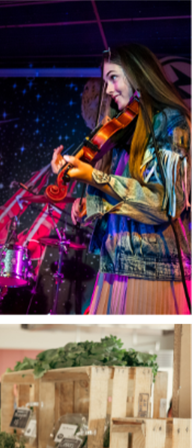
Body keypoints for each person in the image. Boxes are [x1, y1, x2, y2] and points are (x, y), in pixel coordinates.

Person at [51, 43, 191, 314]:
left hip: (153, 271)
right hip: (115, 267)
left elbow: (164, 204)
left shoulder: (173, 122)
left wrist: (95, 177)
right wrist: (89, 199)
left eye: (113, 77)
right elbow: (128, 191)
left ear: (138, 74)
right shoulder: (127, 127)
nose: (108, 90)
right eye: (105, 81)